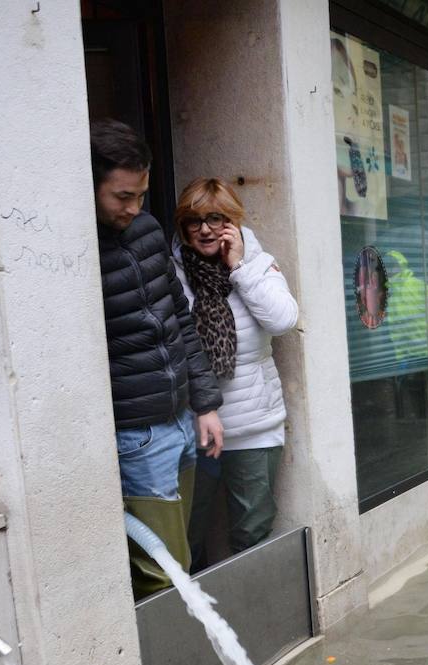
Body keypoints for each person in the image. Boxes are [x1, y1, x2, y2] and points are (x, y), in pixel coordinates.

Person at [92, 119, 223, 598]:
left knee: (178, 558)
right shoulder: (76, 249)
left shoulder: (145, 230)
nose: (134, 208)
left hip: (182, 419)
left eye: (141, 195)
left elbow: (182, 322)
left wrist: (204, 405)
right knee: (161, 572)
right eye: (122, 196)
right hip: (136, 434)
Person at [171, 179, 299, 566]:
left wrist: (239, 267)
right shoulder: (171, 274)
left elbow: (282, 320)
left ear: (235, 221)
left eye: (217, 218)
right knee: (186, 533)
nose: (206, 229)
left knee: (252, 529)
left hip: (253, 427)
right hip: (193, 427)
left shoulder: (258, 265)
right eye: (194, 221)